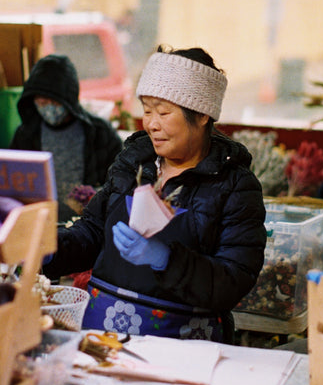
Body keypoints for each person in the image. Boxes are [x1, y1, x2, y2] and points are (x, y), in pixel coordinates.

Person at [43, 45, 267, 343]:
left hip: (183, 349)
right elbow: (93, 232)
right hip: (102, 338)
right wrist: (41, 247)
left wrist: (166, 259)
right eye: (147, 110)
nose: (151, 123)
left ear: (201, 115)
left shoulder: (235, 186)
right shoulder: (134, 163)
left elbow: (235, 279)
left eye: (163, 112)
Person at [10, 54, 123, 221]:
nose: (47, 108)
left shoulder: (99, 134)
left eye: (53, 102)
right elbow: (11, 184)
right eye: (41, 103)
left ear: (68, 100)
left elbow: (122, 183)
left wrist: (97, 199)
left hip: (86, 230)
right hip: (39, 226)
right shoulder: (26, 135)